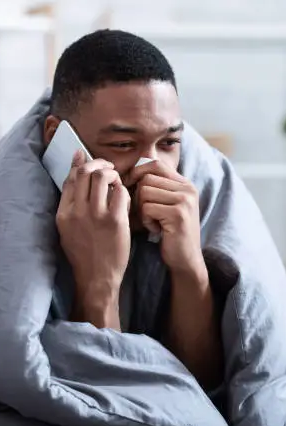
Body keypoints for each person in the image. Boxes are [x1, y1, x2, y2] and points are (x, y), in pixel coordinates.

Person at [43, 29, 224, 389]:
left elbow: (205, 392)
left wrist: (190, 268)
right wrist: (99, 282)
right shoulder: (9, 219)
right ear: (56, 137)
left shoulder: (196, 188)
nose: (151, 167)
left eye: (169, 142)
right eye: (124, 144)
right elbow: (107, 403)